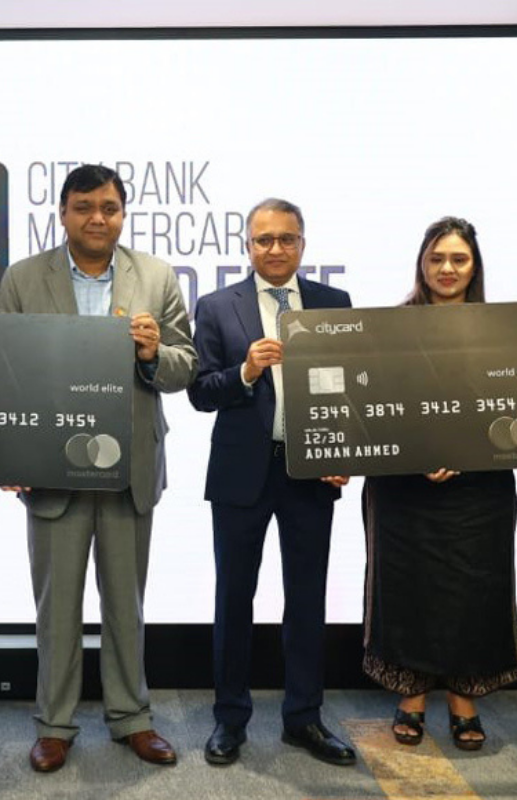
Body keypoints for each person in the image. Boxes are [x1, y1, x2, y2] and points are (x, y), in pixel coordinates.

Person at [0, 164, 196, 773]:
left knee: (125, 605)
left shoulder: (155, 276)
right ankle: (54, 724)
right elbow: (0, 369)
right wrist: (9, 452)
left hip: (128, 464)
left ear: (123, 214)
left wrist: (152, 352)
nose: (97, 218)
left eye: (109, 207)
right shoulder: (24, 277)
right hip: (50, 468)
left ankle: (131, 716)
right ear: (62, 213)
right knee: (56, 609)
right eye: (83, 207)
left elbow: (185, 365)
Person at [360, 217, 517, 751]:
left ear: (474, 266)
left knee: (474, 589)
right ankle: (412, 697)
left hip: (479, 489)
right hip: (404, 488)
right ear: (422, 263)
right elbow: (372, 407)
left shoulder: (507, 332)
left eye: (458, 259)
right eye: (437, 258)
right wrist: (419, 457)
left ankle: (465, 701)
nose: (447, 268)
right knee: (407, 589)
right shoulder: (389, 328)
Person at [187, 198, 354, 767]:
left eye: (286, 239)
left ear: (303, 244)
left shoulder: (333, 303)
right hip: (240, 475)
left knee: (307, 600)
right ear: (248, 245)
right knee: (234, 599)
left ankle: (304, 718)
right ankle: (229, 720)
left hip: (310, 473)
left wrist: (342, 451)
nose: (275, 249)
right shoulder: (216, 306)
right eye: (264, 240)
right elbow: (200, 392)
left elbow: (351, 388)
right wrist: (247, 371)